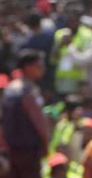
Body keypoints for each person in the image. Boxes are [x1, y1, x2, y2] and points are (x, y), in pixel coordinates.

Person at [1, 50, 49, 178]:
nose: (42, 69)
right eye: (39, 66)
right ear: (28, 67)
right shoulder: (29, 91)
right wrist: (46, 143)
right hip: (29, 151)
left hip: (11, 150)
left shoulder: (9, 90)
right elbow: (39, 122)